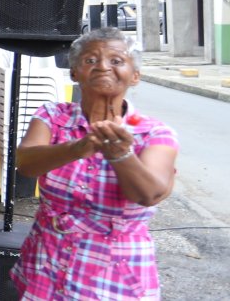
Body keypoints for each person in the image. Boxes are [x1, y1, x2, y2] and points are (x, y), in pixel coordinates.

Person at [12, 27, 179, 300]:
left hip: (115, 270)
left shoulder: (155, 133)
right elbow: (26, 164)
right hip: (47, 259)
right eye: (90, 60)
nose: (103, 66)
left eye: (116, 61)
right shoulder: (52, 115)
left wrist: (121, 155)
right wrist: (76, 148)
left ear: (134, 76)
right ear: (74, 73)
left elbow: (150, 194)